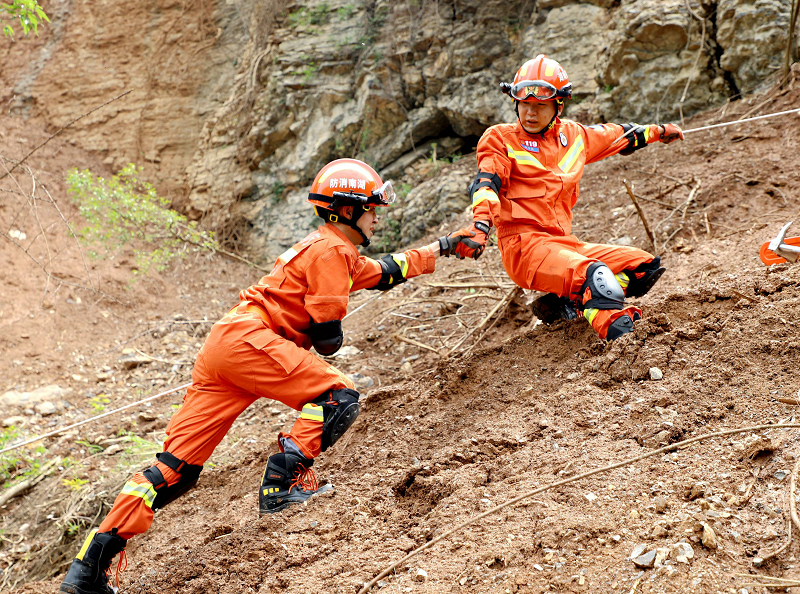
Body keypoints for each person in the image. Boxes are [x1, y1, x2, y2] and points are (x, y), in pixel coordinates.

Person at [60, 158, 461, 594]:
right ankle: (279, 488)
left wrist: (442, 246)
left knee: (176, 470)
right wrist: (329, 315)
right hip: (252, 341)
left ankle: (86, 571)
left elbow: (384, 272)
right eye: (371, 207)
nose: (378, 216)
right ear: (347, 209)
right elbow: (328, 340)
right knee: (337, 397)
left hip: (225, 344)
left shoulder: (325, 248)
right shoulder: (333, 251)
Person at [451, 54, 684, 340]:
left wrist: (660, 132)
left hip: (563, 245)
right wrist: (480, 227)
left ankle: (569, 304)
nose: (530, 114)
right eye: (524, 104)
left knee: (643, 268)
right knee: (595, 276)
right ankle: (625, 347)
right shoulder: (499, 139)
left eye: (540, 106)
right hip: (524, 248)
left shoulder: (574, 136)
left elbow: (619, 134)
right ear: (515, 102)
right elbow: (486, 182)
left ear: (558, 104)